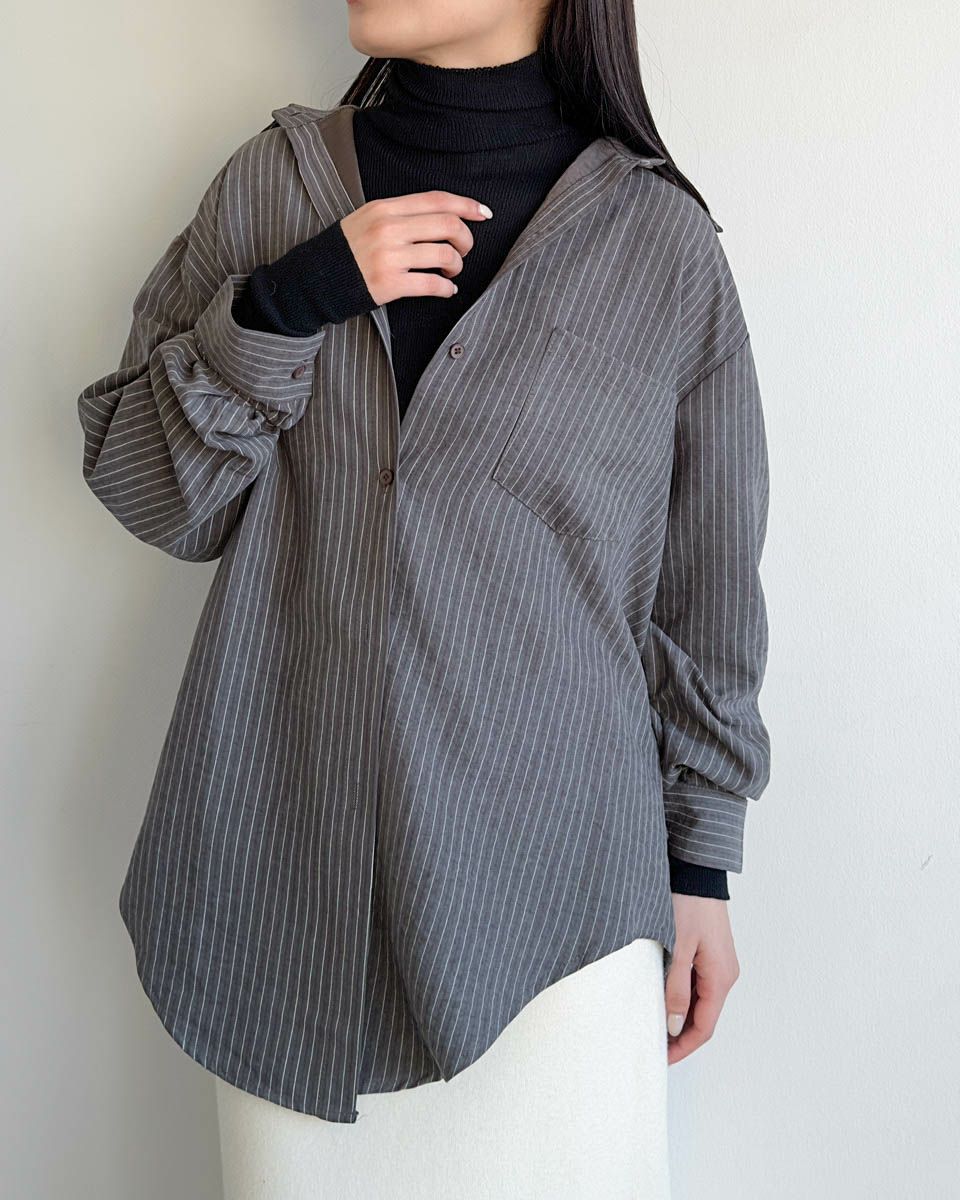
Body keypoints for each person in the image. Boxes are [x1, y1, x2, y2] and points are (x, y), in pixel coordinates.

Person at [78, 2, 770, 1195]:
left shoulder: (661, 250)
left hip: (561, 913)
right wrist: (287, 300)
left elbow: (706, 587)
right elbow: (151, 492)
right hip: (286, 910)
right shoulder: (274, 187)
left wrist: (700, 866)